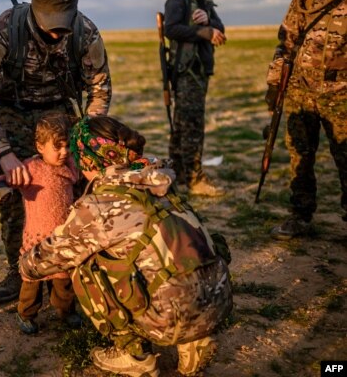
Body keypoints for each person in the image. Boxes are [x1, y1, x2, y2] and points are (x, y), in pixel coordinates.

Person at [19, 116, 233, 377]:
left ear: (89, 160)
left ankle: (134, 354)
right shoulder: (156, 175)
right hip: (215, 299)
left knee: (84, 265)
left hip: (166, 318)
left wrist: (25, 265)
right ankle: (192, 341)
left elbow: (51, 257)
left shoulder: (100, 204)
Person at [0, 0, 112, 303]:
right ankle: (19, 272)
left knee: (72, 195)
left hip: (63, 119)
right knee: (14, 199)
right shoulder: (5, 30)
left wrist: (84, 139)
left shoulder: (86, 33)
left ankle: (70, 270)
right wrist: (4, 150)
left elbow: (100, 89)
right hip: (13, 117)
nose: (57, 32)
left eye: (64, 23)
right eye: (51, 23)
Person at [266, 0, 347, 239]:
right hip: (301, 90)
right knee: (300, 155)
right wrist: (274, 85)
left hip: (342, 93)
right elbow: (285, 43)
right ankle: (300, 216)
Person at [0, 112, 81, 334]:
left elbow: (77, 178)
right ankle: (26, 313)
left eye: (67, 146)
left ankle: (66, 311)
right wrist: (1, 189)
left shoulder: (69, 165)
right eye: (58, 147)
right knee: (32, 281)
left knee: (63, 280)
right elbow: (7, 179)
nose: (64, 152)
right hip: (36, 239)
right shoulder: (31, 168)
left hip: (61, 238)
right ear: (40, 146)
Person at [163, 0, 227, 197]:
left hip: (200, 71)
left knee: (184, 125)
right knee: (191, 125)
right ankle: (193, 178)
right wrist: (201, 32)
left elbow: (220, 29)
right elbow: (171, 29)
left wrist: (209, 21)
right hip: (185, 71)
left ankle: (176, 173)